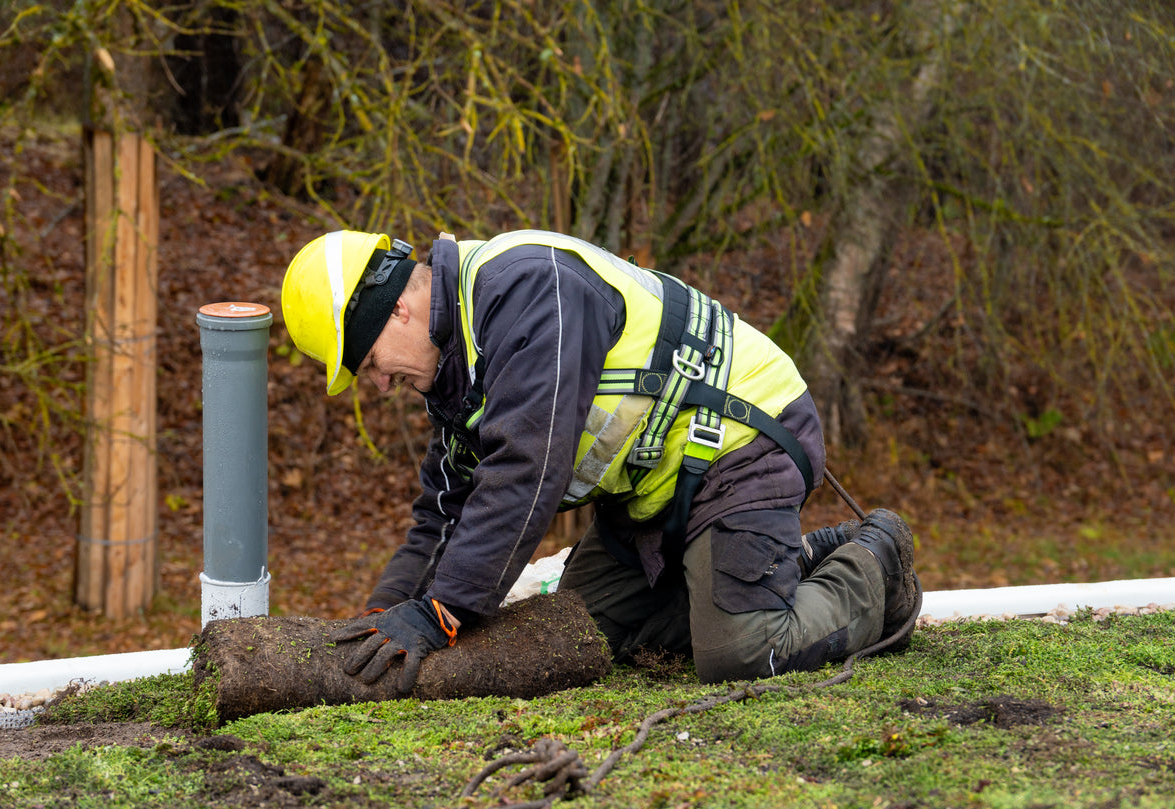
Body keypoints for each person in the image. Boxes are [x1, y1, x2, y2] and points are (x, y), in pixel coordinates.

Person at [280, 229, 919, 692]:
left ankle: (876, 560)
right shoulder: (455, 369)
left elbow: (526, 472)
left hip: (742, 443)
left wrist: (441, 611)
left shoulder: (528, 292)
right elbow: (445, 510)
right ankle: (795, 559)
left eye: (369, 366)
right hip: (654, 493)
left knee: (740, 652)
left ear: (397, 310)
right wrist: (387, 610)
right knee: (581, 631)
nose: (382, 386)